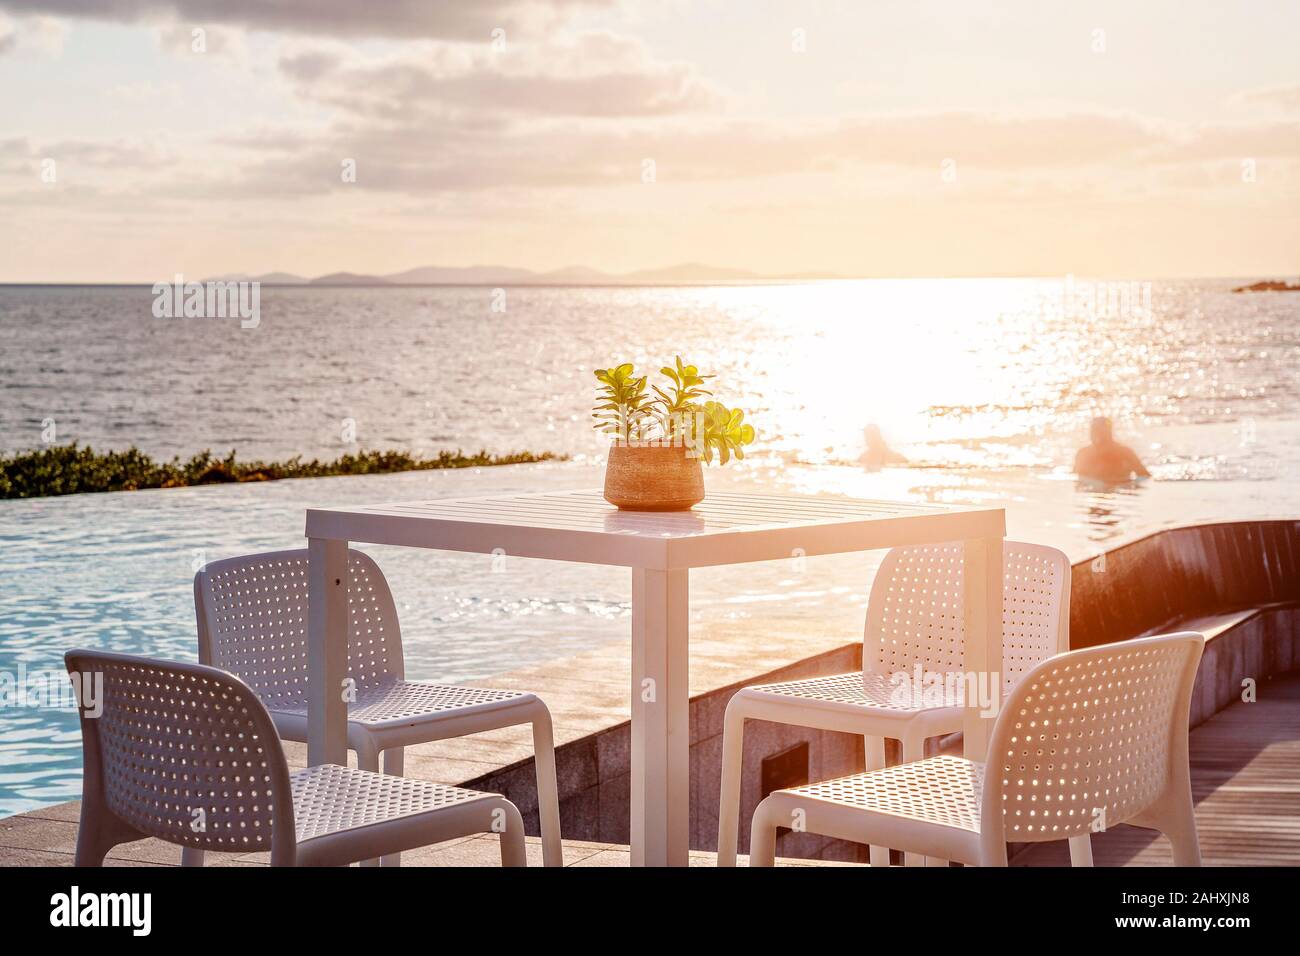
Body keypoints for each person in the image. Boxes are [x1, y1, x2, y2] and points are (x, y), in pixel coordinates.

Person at [1074, 417, 1150, 484]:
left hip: (1120, 488)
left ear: (1109, 433)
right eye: (1094, 431)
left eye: (1101, 432)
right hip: (1094, 489)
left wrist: (1128, 486)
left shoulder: (1125, 452)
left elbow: (1144, 475)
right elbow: (1076, 478)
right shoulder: (1083, 454)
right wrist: (1094, 484)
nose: (1097, 435)